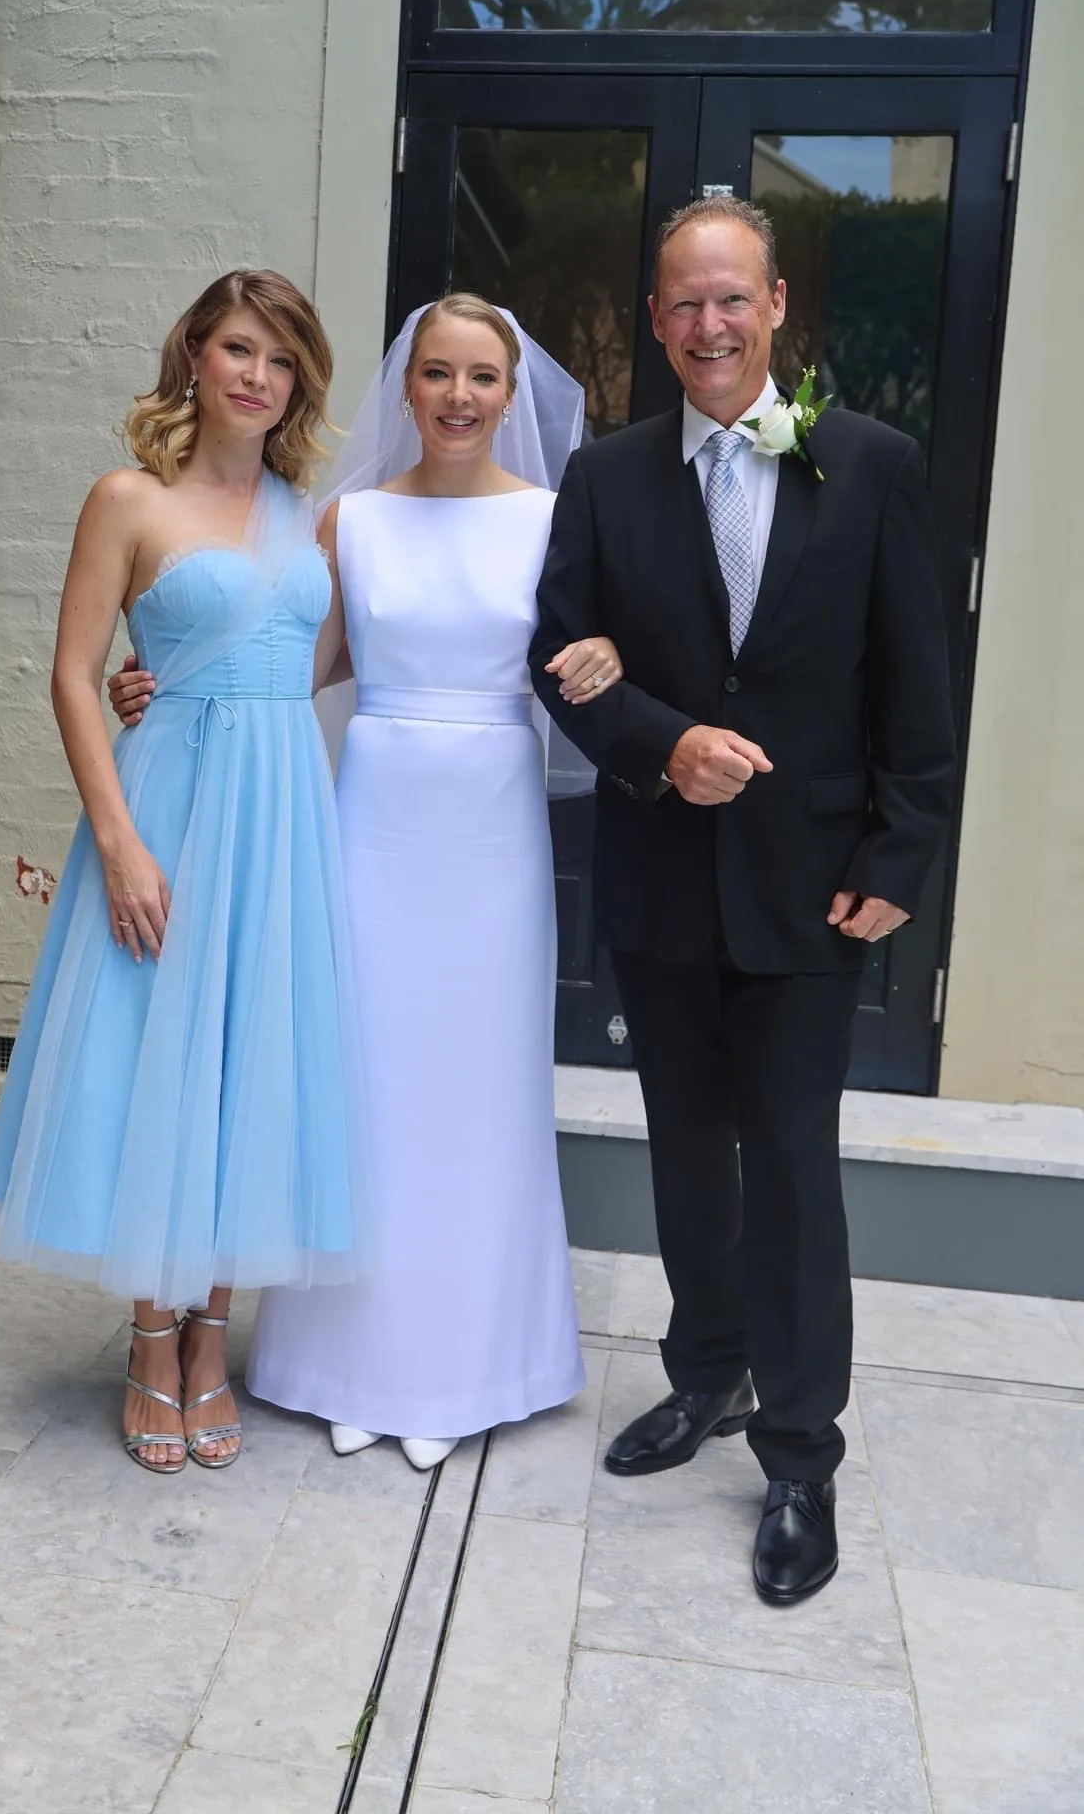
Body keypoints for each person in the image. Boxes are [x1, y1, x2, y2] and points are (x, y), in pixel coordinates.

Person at [530, 196, 957, 1602]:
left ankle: (797, 1451)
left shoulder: (872, 464)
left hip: (811, 897)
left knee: (785, 1170)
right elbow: (564, 657)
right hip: (661, 885)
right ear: (653, 324)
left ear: (775, 308)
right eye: (680, 305)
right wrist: (662, 744)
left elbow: (914, 682)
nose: (707, 326)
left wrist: (898, 861)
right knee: (681, 1156)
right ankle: (703, 1372)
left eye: (732, 299)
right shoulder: (605, 476)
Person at [110, 295, 611, 1468]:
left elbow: (590, 650)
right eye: (436, 372)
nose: (457, 396)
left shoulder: (551, 519)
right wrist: (157, 686)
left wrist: (613, 655)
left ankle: (472, 1364)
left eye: (482, 376)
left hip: (492, 822)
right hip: (372, 817)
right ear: (406, 385)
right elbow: (290, 662)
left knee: (479, 1089)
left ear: (512, 392)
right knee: (360, 1076)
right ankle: (338, 1359)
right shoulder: (352, 521)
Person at [0, 269, 368, 1476]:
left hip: (282, 816)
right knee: (152, 1053)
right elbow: (73, 674)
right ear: (195, 354)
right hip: (169, 814)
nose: (258, 375)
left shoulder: (313, 515)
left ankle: (213, 1333)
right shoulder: (127, 497)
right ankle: (150, 1336)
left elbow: (301, 666)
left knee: (250, 1057)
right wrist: (117, 839)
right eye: (239, 348)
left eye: (283, 359)